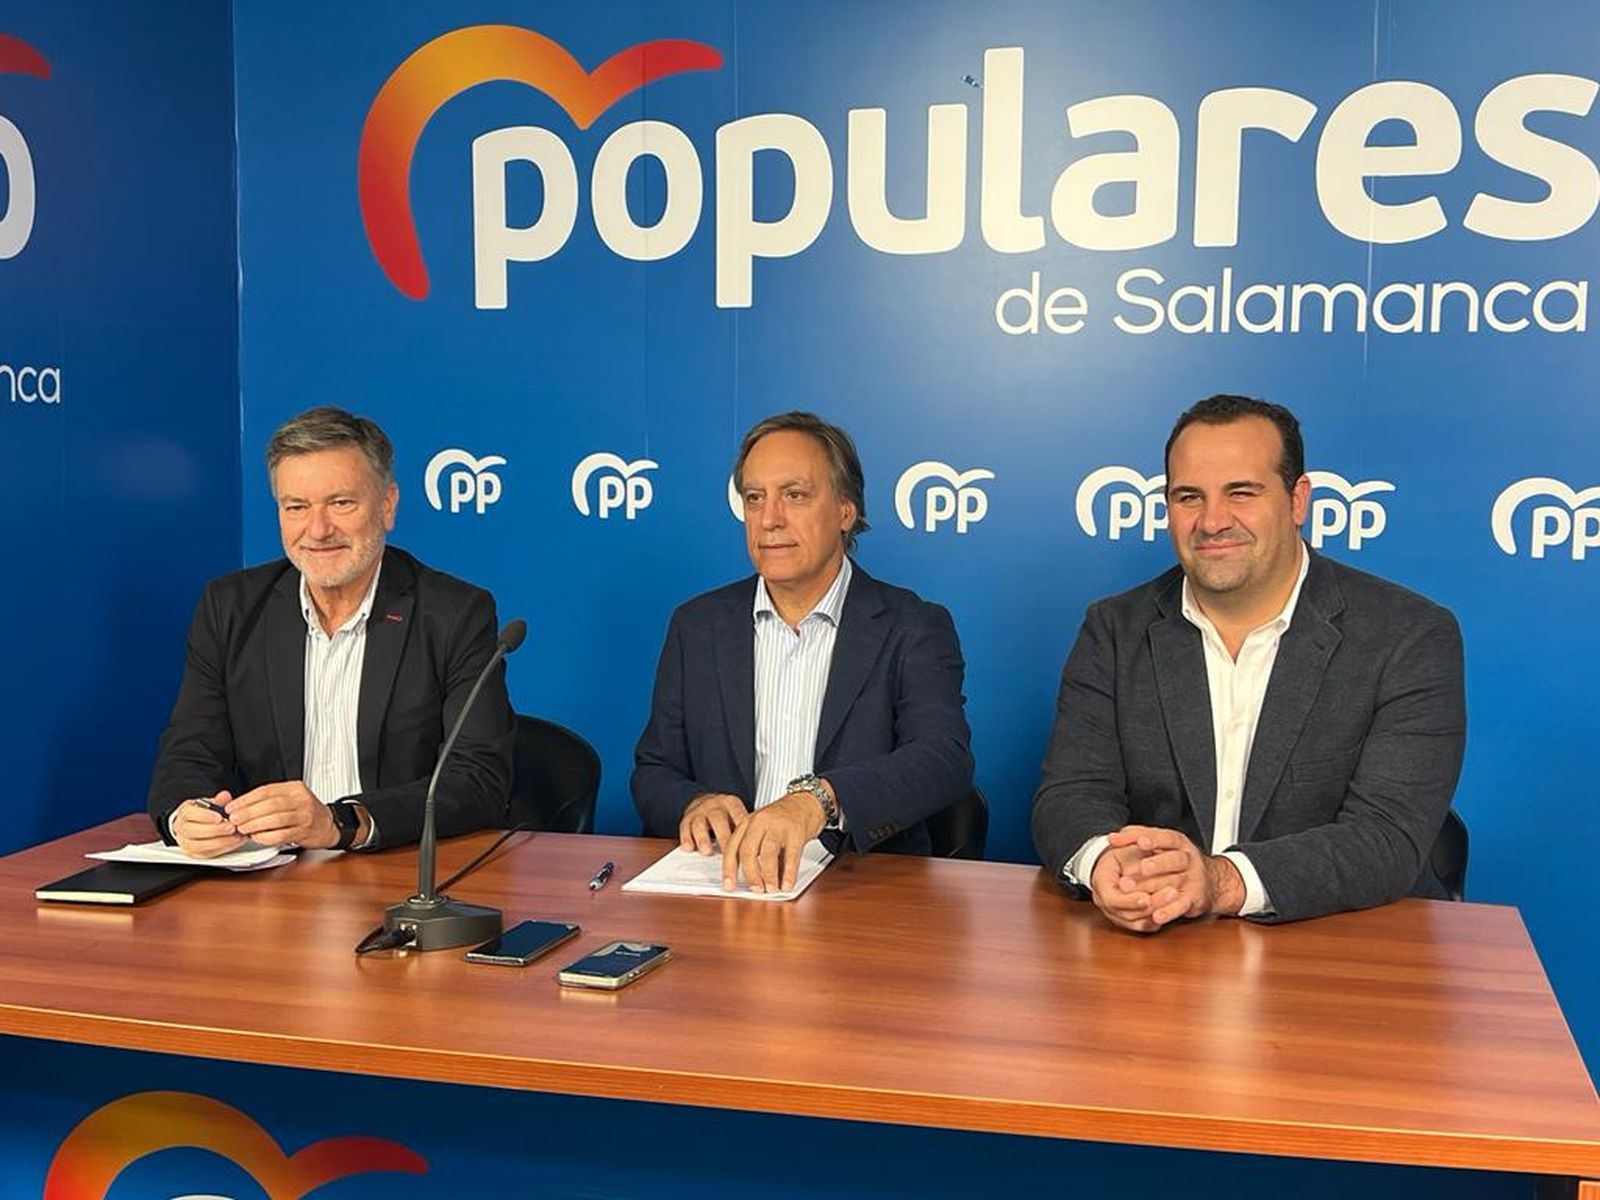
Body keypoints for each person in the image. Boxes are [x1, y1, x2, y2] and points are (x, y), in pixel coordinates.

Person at [1032, 394, 1465, 928]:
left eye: (1241, 492)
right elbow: (1072, 793)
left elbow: (1386, 836)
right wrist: (1105, 863)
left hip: (1336, 946)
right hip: (1157, 948)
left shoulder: (1409, 635)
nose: (1212, 521)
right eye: (1188, 497)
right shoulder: (1114, 629)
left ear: (1297, 499)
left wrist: (1219, 882)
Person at [147, 406, 514, 856]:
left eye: (341, 503)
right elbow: (188, 753)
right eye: (296, 506)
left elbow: (477, 779)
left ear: (387, 506)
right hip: (264, 883)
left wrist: (343, 822)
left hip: (395, 872)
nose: (317, 530)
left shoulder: (453, 614)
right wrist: (187, 815)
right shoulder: (232, 608)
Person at [632, 411, 974, 893]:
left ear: (844, 511)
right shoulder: (698, 625)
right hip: (722, 885)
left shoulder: (913, 626)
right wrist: (693, 803)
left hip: (856, 890)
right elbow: (655, 769)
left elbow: (943, 760)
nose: (769, 519)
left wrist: (818, 802)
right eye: (754, 498)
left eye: (794, 495)